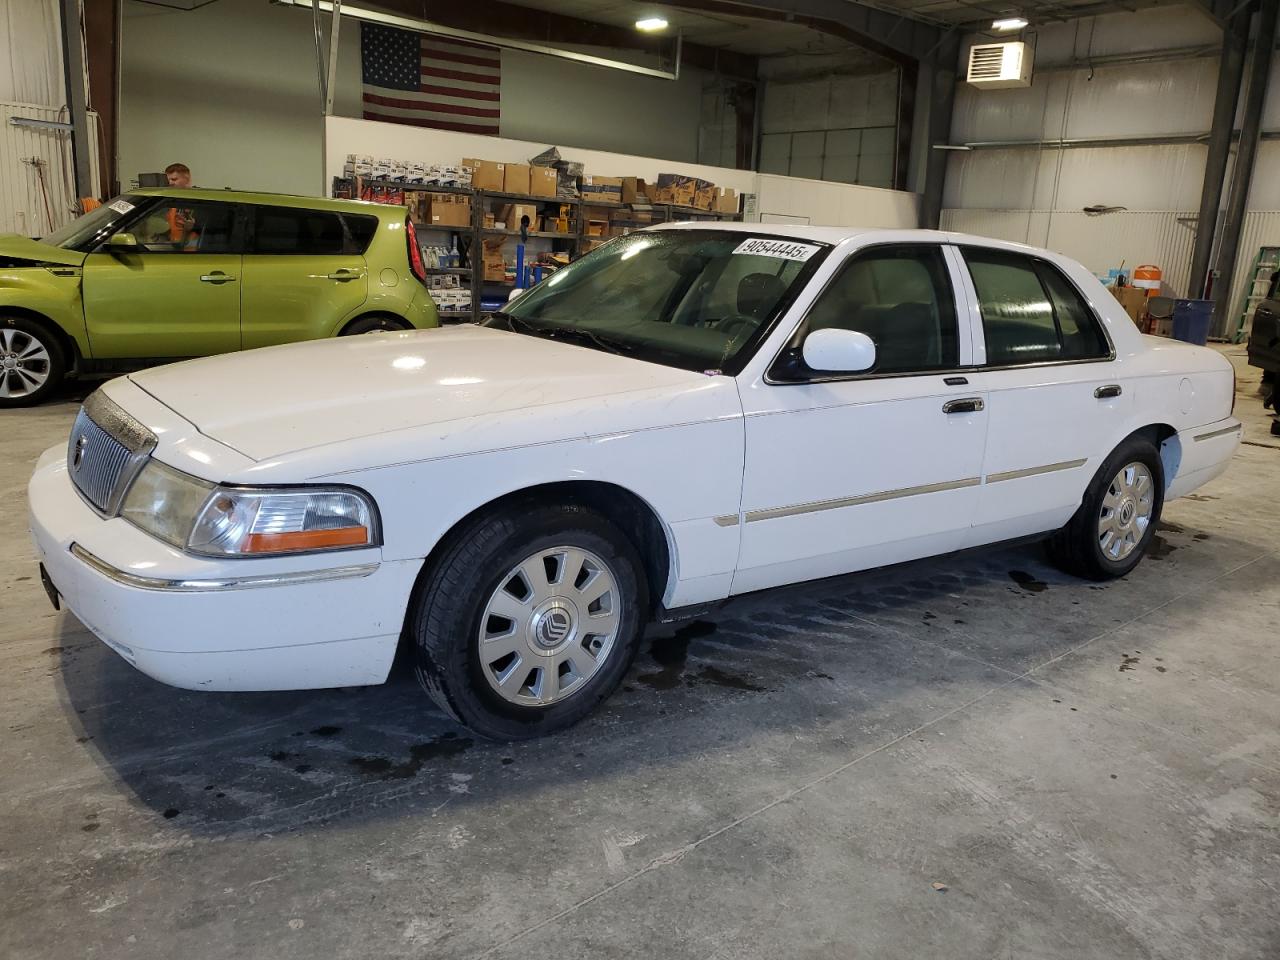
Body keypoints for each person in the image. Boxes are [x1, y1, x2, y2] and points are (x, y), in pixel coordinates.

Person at [163, 163, 196, 246]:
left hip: (194, 254)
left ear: (187, 180)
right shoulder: (172, 203)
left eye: (174, 179)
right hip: (173, 252)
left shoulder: (200, 203)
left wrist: (190, 228)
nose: (170, 183)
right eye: (168, 180)